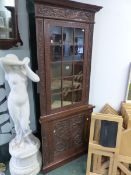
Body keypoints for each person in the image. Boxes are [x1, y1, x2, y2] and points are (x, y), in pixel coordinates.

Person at [0, 54, 40, 144]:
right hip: (13, 102)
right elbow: (2, 60)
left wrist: (25, 66)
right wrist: (22, 62)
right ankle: (20, 140)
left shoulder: (23, 70)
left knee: (25, 125)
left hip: (24, 101)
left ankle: (27, 138)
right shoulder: (8, 72)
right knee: (17, 124)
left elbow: (36, 79)